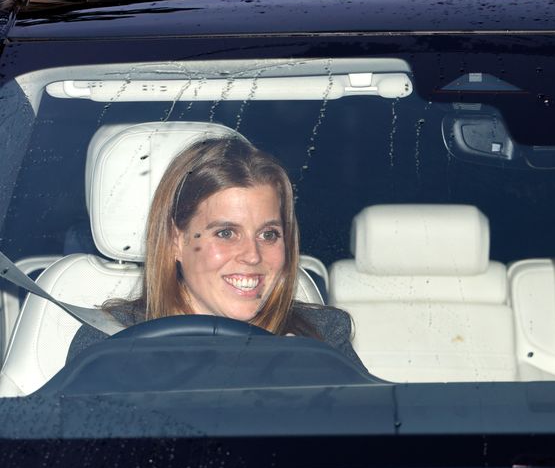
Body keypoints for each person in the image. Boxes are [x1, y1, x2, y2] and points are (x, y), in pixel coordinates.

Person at [67, 137, 367, 373]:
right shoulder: (110, 345)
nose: (252, 256)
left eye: (269, 234)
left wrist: (318, 390)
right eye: (226, 233)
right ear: (175, 241)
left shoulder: (321, 340)